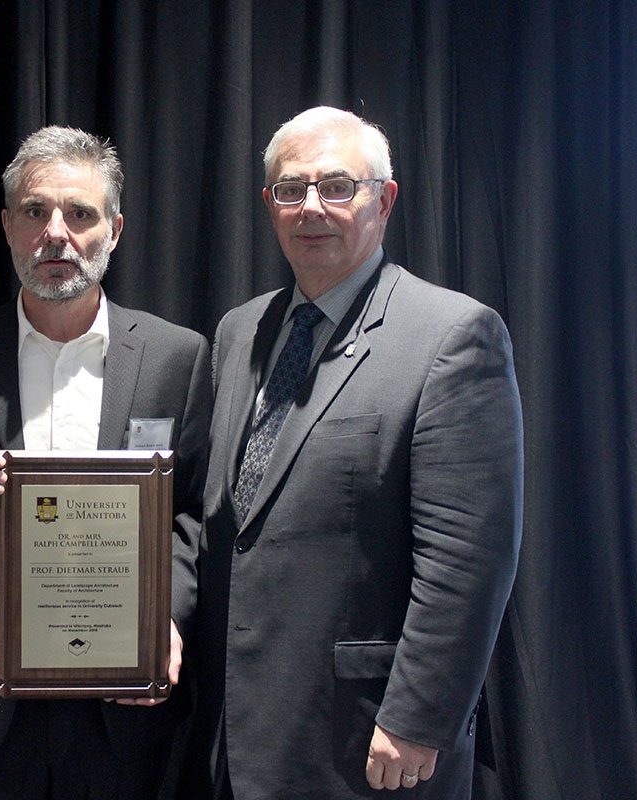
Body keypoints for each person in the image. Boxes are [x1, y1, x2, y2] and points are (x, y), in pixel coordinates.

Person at [188, 106, 523, 799]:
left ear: (385, 199)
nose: (311, 206)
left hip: (369, 741)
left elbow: (468, 559)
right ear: (270, 204)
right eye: (291, 188)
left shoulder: (452, 336)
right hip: (236, 730)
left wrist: (420, 719)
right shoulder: (238, 332)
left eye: (337, 185)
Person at [0, 126, 211, 799]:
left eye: (80, 214)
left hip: (122, 699)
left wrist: (166, 613)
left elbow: (191, 511)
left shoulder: (176, 357)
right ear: (8, 226)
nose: (56, 234)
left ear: (116, 229)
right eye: (36, 213)